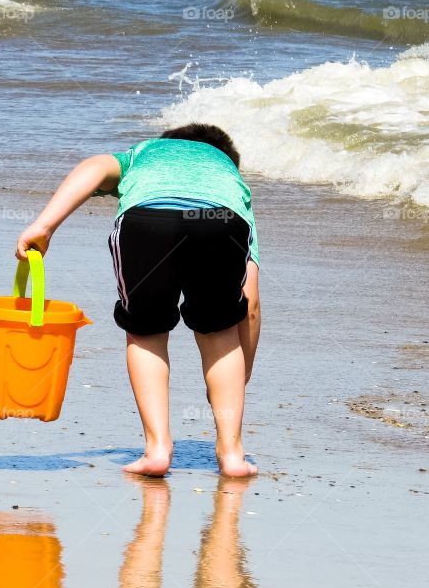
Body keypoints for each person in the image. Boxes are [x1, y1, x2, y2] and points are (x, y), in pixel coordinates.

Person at [15, 123, 261, 478]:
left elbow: (95, 165)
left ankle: (157, 450)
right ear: (228, 161)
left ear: (168, 144)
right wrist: (242, 374)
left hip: (148, 221)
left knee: (146, 332)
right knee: (220, 331)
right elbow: (250, 304)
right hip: (221, 221)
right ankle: (232, 454)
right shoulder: (232, 183)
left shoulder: (145, 153)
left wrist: (45, 225)